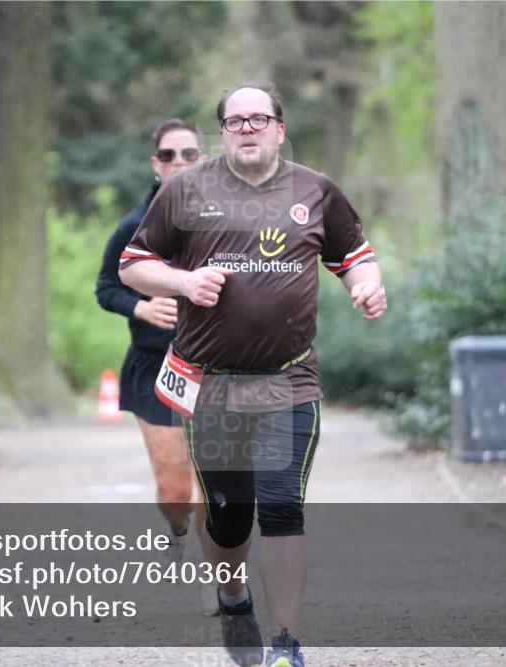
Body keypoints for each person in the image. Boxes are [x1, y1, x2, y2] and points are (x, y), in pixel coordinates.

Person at [119, 83, 387, 667]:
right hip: (212, 383)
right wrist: (185, 283)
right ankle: (234, 597)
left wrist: (365, 284)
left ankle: (288, 645)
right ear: (222, 133)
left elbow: (353, 254)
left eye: (258, 119)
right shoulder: (187, 191)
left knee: (282, 503)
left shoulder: (315, 190)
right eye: (235, 121)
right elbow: (134, 265)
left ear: (279, 129)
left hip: (288, 380)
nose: (247, 128)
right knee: (228, 514)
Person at [95, 119, 214, 604]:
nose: (179, 163)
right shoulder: (133, 225)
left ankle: (218, 576)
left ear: (203, 160)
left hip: (214, 368)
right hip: (154, 368)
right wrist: (141, 306)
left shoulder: (223, 222)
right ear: (156, 164)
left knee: (215, 483)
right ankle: (178, 532)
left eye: (189, 154)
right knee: (175, 491)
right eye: (169, 155)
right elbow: (106, 288)